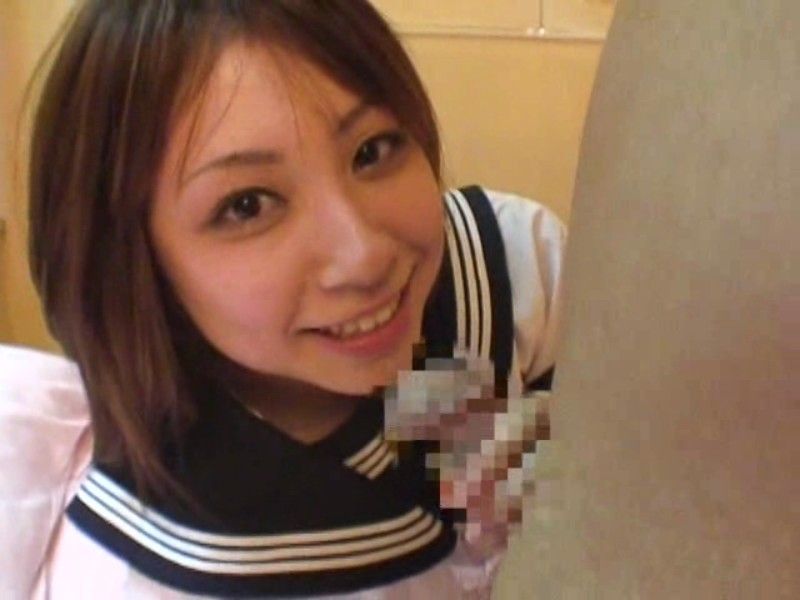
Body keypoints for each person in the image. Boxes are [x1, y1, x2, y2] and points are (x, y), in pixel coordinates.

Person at [4, 0, 565, 597]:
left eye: (372, 150)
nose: (363, 256)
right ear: (132, 263)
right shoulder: (151, 571)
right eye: (247, 205)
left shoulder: (512, 282)